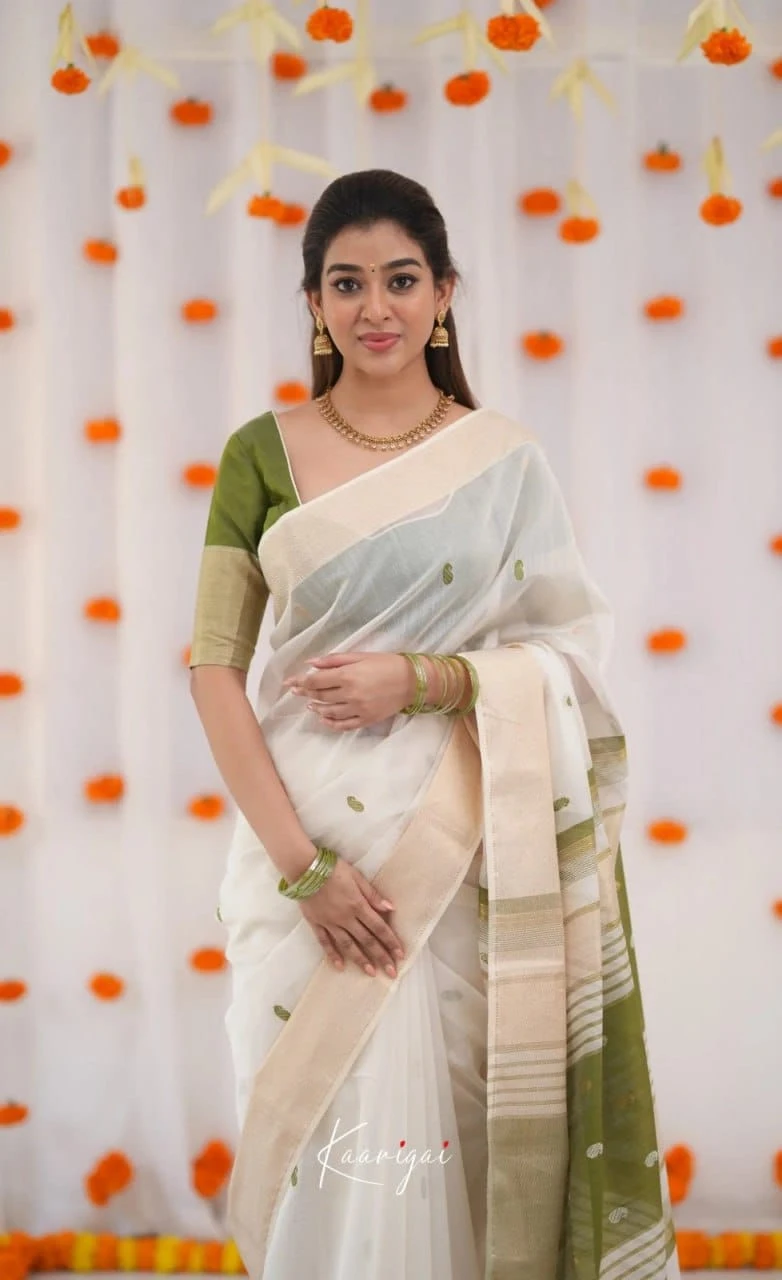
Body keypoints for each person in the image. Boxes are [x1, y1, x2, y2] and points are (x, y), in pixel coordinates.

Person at [189, 169, 680, 1280]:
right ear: (313, 300)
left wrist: (426, 680)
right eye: (346, 282)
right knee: (313, 1134)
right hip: (301, 838)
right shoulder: (258, 452)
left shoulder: (502, 460)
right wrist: (304, 870)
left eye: (401, 280)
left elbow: (571, 657)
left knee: (456, 1133)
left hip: (462, 848)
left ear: (444, 292)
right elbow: (213, 669)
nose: (376, 307)